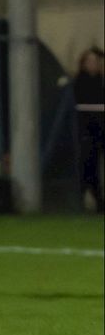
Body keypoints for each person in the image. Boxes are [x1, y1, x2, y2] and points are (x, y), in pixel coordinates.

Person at [74, 47, 104, 212]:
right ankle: (94, 199)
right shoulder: (80, 82)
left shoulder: (101, 81)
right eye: (91, 61)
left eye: (97, 61)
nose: (95, 64)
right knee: (89, 165)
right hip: (87, 131)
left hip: (101, 129)